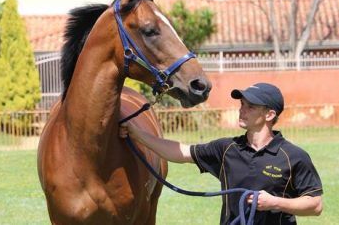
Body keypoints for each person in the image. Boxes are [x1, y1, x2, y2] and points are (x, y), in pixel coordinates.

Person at [119, 83, 323, 225]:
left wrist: (275, 203)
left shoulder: (294, 156)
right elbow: (181, 152)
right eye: (242, 105)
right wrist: (138, 135)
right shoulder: (226, 149)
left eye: (250, 107)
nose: (242, 110)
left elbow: (315, 205)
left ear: (270, 115)